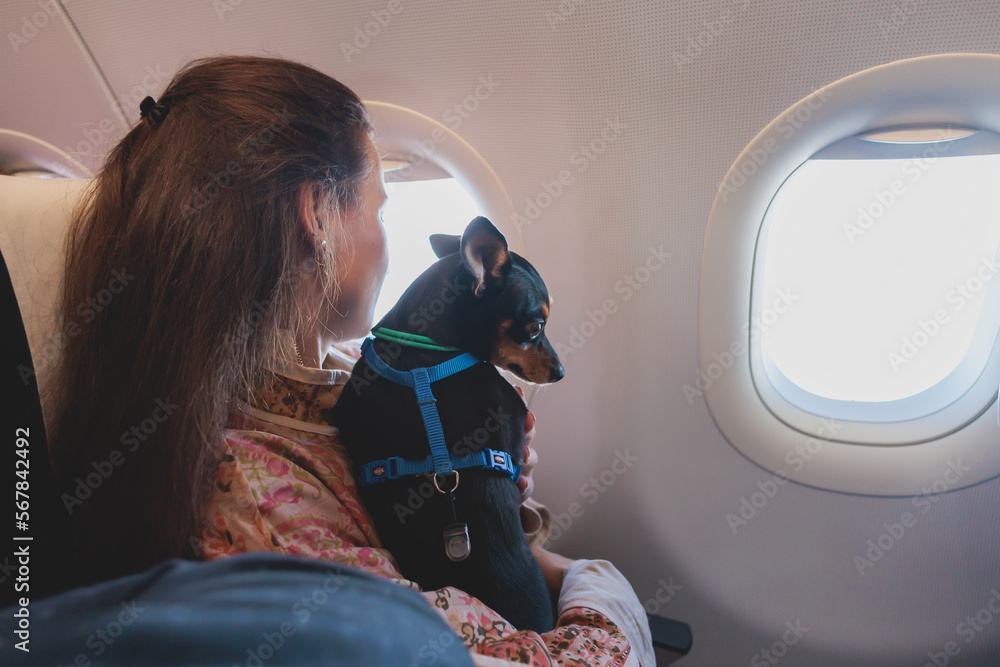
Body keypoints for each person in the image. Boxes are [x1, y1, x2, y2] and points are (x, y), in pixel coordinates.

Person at [46, 55, 653, 665]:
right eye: (380, 206)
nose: (387, 233)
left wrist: (490, 497)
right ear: (317, 215)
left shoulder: (350, 378)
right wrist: (595, 581)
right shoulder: (259, 497)